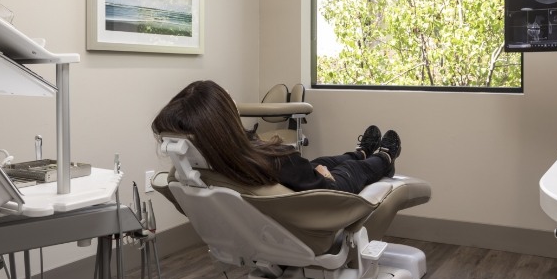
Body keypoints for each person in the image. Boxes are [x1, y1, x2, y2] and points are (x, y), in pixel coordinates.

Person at [151, 80, 401, 194]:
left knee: (325, 159)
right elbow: (321, 190)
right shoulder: (276, 161)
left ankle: (360, 152)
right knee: (351, 170)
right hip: (324, 195)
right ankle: (385, 158)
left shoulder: (207, 170)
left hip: (294, 182)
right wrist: (325, 178)